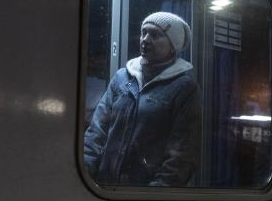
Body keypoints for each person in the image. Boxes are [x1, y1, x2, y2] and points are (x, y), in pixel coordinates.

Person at [84, 12, 201, 187]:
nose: (145, 39)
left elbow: (182, 154)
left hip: (144, 195)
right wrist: (85, 176)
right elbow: (97, 131)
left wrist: (154, 195)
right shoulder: (121, 78)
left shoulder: (184, 88)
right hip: (103, 187)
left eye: (155, 35)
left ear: (172, 45)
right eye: (143, 32)